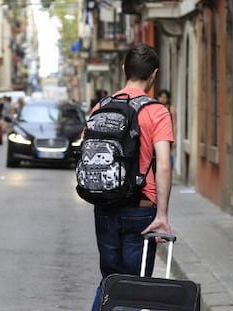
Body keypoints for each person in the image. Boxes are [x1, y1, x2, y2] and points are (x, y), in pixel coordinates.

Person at [89, 44, 174, 310]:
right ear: (154, 75)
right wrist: (162, 215)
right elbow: (163, 166)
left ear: (124, 69)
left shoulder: (100, 107)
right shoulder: (157, 111)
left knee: (111, 281)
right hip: (141, 210)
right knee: (136, 288)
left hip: (105, 207)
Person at [157, 89, 176, 170]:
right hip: (158, 135)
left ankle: (168, 171)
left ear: (168, 99)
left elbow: (174, 124)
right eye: (161, 97)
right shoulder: (156, 108)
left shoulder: (171, 109)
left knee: (167, 156)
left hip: (168, 136)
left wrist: (174, 138)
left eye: (165, 97)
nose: (162, 99)